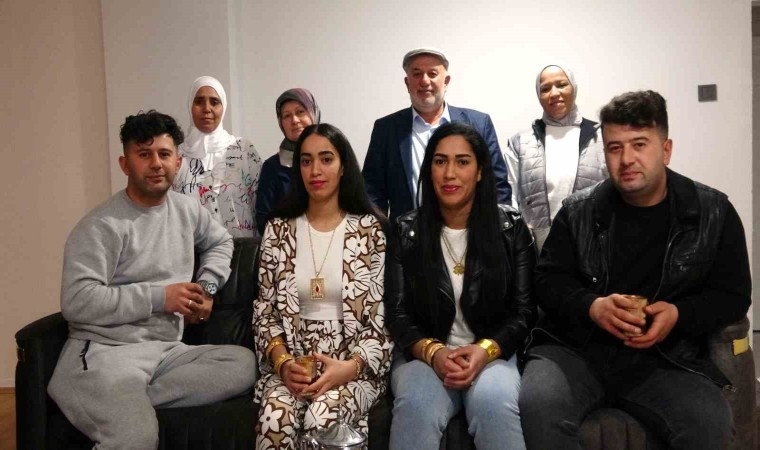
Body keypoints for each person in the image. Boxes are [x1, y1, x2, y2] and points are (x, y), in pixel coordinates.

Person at [519, 91, 751, 449]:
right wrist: (591, 306)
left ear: (666, 149)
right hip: (575, 349)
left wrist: (679, 314)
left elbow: (733, 295)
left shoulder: (713, 212)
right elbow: (547, 280)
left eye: (639, 144)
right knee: (538, 405)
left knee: (708, 423)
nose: (626, 159)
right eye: (615, 148)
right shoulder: (578, 211)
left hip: (666, 357)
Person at [48, 110, 257, 449]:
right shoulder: (100, 226)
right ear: (125, 164)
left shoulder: (187, 210)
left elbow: (220, 242)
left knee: (243, 364)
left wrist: (207, 288)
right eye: (144, 154)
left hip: (165, 354)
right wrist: (161, 298)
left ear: (178, 162)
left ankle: (129, 399)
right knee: (137, 437)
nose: (156, 163)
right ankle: (113, 398)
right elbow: (77, 301)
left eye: (164, 154)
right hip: (105, 353)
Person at [385, 122, 535, 450]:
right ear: (429, 170)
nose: (449, 173)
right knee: (416, 405)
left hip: (492, 355)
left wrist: (485, 350)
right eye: (440, 161)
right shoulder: (405, 230)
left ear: (479, 171)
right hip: (422, 357)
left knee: (493, 402)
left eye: (462, 162)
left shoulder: (511, 229)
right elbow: (397, 314)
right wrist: (434, 352)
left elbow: (523, 312)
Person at [253, 123, 393, 449]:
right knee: (275, 414)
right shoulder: (278, 230)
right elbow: (264, 312)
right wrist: (283, 364)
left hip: (352, 370)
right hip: (293, 369)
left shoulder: (370, 230)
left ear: (344, 166)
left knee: (322, 416)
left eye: (326, 159)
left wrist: (350, 368)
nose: (315, 170)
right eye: (306, 161)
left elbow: (383, 319)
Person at [362, 47, 511, 223]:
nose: (425, 81)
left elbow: (497, 185)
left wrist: (495, 230)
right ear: (407, 83)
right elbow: (372, 193)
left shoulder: (479, 124)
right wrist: (378, 234)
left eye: (432, 74)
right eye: (417, 74)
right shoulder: (386, 129)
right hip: (408, 236)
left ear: (446, 81)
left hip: (471, 233)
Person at [504, 64, 607, 250]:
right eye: (545, 89)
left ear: (573, 87)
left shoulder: (601, 137)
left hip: (589, 247)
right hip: (536, 249)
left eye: (561, 85)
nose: (554, 93)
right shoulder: (521, 141)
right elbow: (509, 192)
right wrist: (518, 235)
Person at [172, 76, 262, 237]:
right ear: (190, 105)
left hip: (243, 250)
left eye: (214, 102)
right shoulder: (176, 157)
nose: (207, 108)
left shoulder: (243, 150)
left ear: (223, 107)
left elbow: (261, 206)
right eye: (199, 101)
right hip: (193, 251)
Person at [255, 88, 321, 235]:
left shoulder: (333, 158)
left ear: (313, 113)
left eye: (300, 112)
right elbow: (263, 220)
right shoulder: (272, 167)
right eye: (287, 116)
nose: (294, 120)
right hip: (287, 245)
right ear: (281, 123)